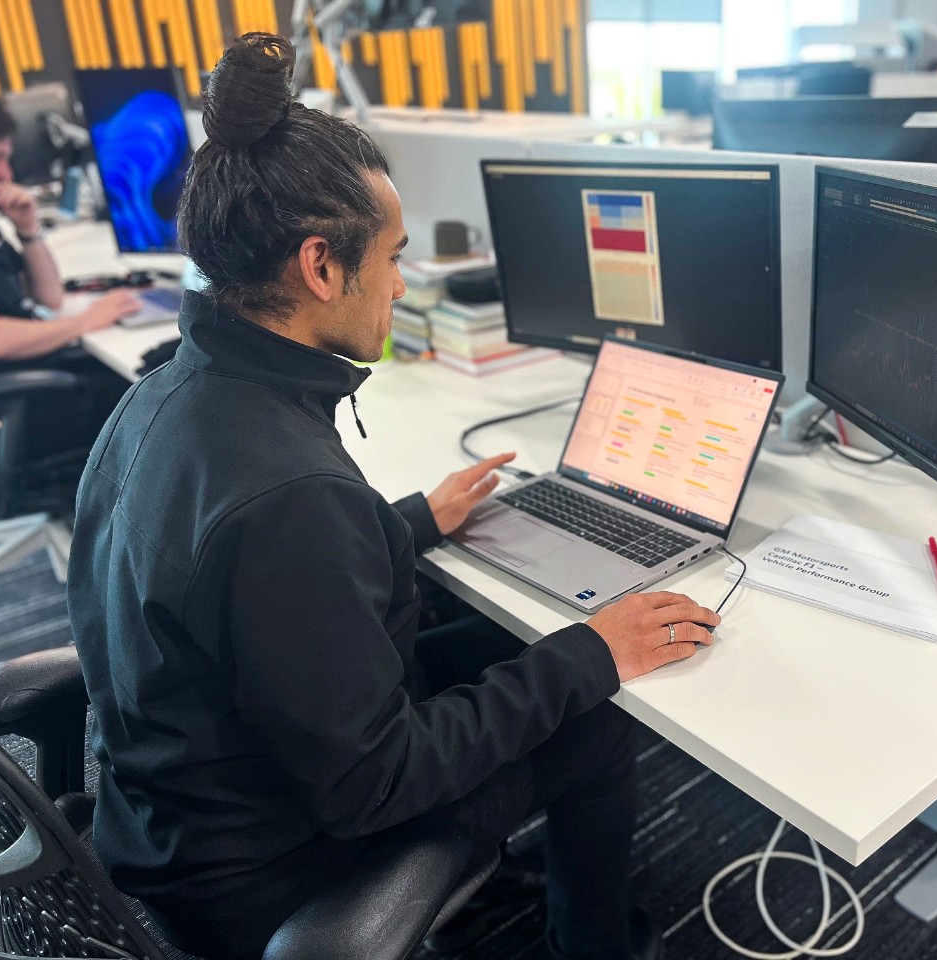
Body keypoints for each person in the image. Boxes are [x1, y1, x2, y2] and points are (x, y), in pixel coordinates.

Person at [68, 32, 719, 960]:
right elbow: (373, 783)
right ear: (320, 266)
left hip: (181, 811)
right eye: (394, 258)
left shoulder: (165, 396)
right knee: (594, 716)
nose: (404, 284)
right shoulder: (289, 496)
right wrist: (593, 653)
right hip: (271, 872)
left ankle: (503, 883)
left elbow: (250, 592)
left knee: (508, 645)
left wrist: (411, 522)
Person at [0, 97, 140, 362]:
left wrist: (28, 229)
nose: (6, 174)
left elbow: (49, 297)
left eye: (7, 159)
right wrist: (87, 320)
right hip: (25, 378)